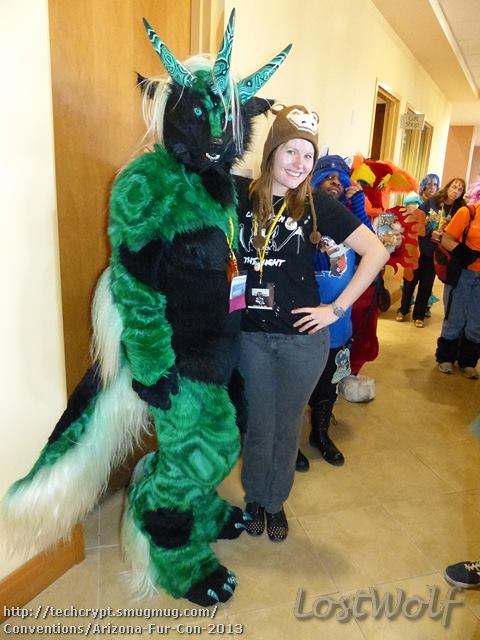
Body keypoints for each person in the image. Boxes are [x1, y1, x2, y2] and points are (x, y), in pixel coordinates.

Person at [235, 105, 389, 542]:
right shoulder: (240, 195)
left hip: (302, 341)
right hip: (251, 337)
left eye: (308, 155)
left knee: (286, 428)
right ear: (272, 151)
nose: (299, 163)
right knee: (258, 425)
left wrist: (335, 309)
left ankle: (275, 502)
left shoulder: (318, 206)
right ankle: (254, 499)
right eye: (291, 150)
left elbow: (376, 253)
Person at [296, 154, 374, 471]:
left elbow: (373, 248)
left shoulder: (350, 220)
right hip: (305, 320)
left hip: (339, 323)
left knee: (328, 383)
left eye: (341, 179)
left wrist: (359, 206)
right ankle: (289, 441)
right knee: (297, 384)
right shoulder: (304, 215)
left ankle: (320, 433)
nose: (335, 182)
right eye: (327, 176)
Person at [396, 177, 466, 327]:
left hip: (437, 253)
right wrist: (429, 232)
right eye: (454, 187)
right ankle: (403, 309)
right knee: (410, 281)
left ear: (462, 194)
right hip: (419, 248)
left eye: (460, 189)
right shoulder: (433, 201)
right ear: (448, 187)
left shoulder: (460, 210)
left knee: (426, 285)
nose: (455, 191)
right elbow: (417, 219)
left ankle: (419, 315)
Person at [436, 179, 480, 378]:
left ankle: (468, 361)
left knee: (476, 320)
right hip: (463, 273)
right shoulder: (467, 212)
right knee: (455, 316)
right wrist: (462, 251)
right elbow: (446, 239)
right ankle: (445, 358)